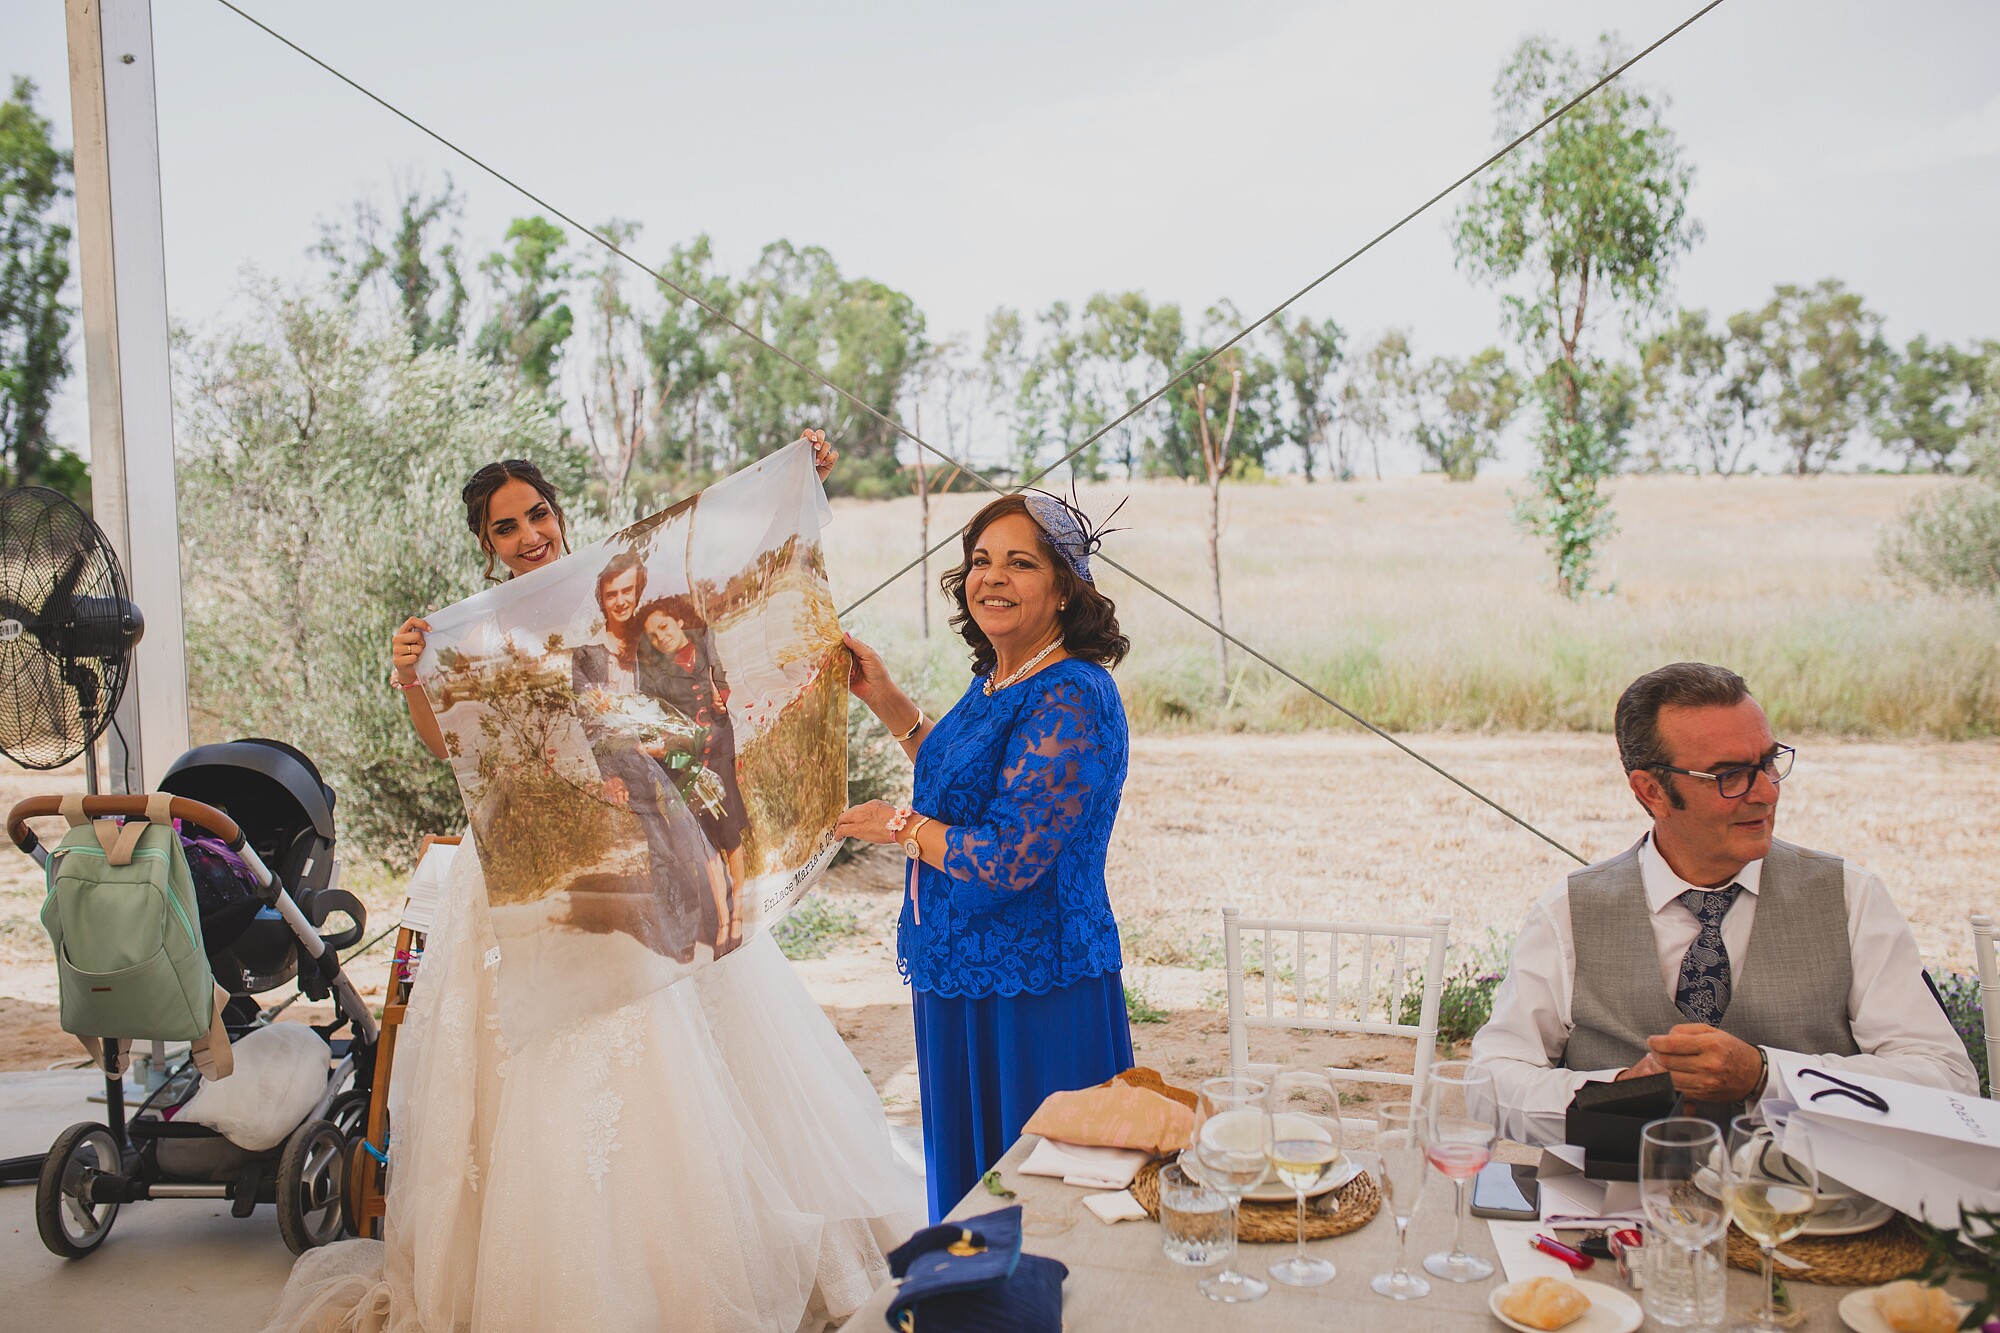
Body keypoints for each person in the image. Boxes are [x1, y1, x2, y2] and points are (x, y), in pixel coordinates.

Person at [263, 436, 926, 1333]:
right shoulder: (480, 630)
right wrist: (415, 673)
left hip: (645, 840)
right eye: (507, 527)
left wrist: (797, 472)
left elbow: (716, 570)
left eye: (538, 513)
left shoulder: (611, 585)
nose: (530, 534)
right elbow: (451, 748)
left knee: (673, 1035)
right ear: (486, 543)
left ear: (558, 512)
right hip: (532, 867)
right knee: (542, 1056)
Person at [1470, 661, 1977, 1147]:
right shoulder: (1568, 913)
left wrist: (1765, 1075)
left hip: (1817, 1217)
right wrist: (1621, 1088)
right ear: (1652, 792)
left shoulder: (1851, 898)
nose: (1766, 793)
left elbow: (1948, 1082)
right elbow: (1488, 1086)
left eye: (1769, 762)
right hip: (1617, 1213)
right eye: (1730, 775)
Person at [837, 490, 1134, 1222]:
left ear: (1065, 587)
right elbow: (966, 775)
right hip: (959, 982)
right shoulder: (999, 680)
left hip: (1035, 994)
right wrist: (888, 702)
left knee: (1044, 1218)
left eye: (1020, 562)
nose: (992, 577)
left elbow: (1009, 856)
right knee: (971, 1217)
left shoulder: (1072, 693)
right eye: (980, 560)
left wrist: (901, 825)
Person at [571, 551, 719, 962]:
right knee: (662, 849)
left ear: (638, 592)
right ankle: (679, 942)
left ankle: (713, 929)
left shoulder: (652, 638)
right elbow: (590, 723)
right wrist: (609, 774)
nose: (620, 601)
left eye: (627, 591)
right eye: (611, 593)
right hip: (625, 761)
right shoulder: (587, 655)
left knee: (698, 843)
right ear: (601, 598)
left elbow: (685, 685)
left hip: (671, 755)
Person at [635, 593, 753, 955]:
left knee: (730, 833)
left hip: (719, 750)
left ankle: (739, 916)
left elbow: (726, 678)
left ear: (678, 622)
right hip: (685, 760)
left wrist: (725, 695)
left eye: (664, 627)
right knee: (705, 843)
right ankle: (721, 920)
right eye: (652, 635)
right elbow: (651, 718)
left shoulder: (705, 641)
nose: (660, 637)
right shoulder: (654, 675)